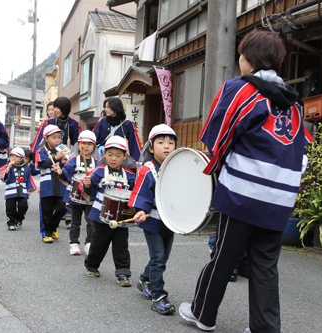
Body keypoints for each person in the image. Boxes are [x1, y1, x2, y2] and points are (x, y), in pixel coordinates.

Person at [179, 29, 312, 332]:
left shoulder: (240, 89)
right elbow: (302, 151)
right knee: (264, 265)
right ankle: (265, 328)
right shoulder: (293, 103)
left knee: (224, 255)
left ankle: (203, 314)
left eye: (240, 55)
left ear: (249, 59)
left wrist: (213, 169)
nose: (239, 60)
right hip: (280, 198)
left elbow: (219, 135)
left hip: (243, 191)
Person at [128, 124, 177, 315]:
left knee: (162, 257)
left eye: (171, 142)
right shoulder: (147, 170)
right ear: (150, 147)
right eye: (161, 142)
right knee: (158, 259)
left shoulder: (176, 168)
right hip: (152, 220)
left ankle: (144, 280)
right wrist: (141, 210)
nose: (166, 146)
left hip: (170, 221)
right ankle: (158, 296)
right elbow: (141, 194)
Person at [81, 136, 136, 286]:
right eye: (110, 154)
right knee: (99, 243)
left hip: (121, 218)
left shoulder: (130, 176)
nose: (113, 159)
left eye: (118, 156)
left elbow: (135, 195)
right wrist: (87, 185)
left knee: (121, 246)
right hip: (101, 216)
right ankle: (92, 265)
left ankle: (123, 273)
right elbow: (88, 193)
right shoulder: (98, 172)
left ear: (125, 156)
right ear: (104, 154)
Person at [53, 130, 99, 256]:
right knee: (75, 222)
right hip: (75, 197)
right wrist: (59, 171)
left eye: (90, 144)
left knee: (91, 222)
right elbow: (66, 176)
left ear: (94, 146)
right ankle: (73, 243)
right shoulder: (73, 160)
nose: (86, 147)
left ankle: (89, 243)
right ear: (78, 145)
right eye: (83, 144)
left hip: (90, 197)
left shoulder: (97, 163)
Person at [36, 125, 68, 243]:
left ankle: (53, 226)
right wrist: (56, 157)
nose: (57, 140)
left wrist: (64, 162)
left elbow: (68, 166)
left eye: (59, 137)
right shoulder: (41, 150)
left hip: (60, 184)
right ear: (46, 138)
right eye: (54, 137)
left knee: (62, 208)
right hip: (47, 185)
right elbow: (42, 164)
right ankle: (46, 232)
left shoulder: (63, 149)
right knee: (46, 211)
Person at [0, 148, 36, 231]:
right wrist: (8, 169)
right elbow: (4, 179)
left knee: (23, 206)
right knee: (10, 207)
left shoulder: (26, 167)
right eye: (12, 156)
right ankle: (11, 221)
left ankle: (19, 219)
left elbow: (28, 178)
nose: (14, 158)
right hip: (10, 191)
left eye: (17, 156)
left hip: (22, 190)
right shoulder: (6, 166)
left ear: (21, 158)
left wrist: (29, 188)